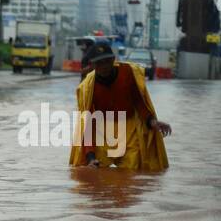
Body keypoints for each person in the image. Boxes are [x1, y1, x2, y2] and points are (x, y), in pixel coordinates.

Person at [68, 39, 170, 171]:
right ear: (92, 65)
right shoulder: (87, 87)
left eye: (106, 61)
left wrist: (152, 121)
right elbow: (88, 124)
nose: (104, 66)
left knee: (132, 173)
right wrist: (90, 157)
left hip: (128, 129)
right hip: (102, 131)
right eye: (99, 63)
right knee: (93, 173)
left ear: (113, 60)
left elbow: (139, 102)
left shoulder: (128, 73)